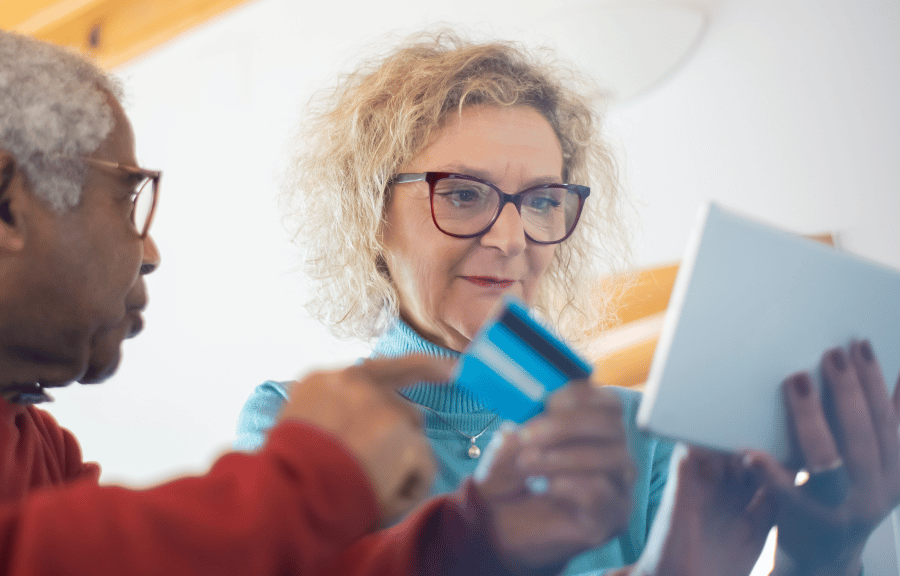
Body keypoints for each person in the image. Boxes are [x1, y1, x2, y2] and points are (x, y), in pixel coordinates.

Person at [0, 24, 638, 576]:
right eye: (128, 195)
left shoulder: (34, 446)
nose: (151, 247)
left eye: (541, 202)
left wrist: (471, 540)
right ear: (1, 204)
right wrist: (306, 477)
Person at [236, 31, 900, 576]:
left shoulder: (648, 433)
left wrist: (823, 559)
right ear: (371, 220)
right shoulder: (297, 423)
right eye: (464, 194)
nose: (511, 236)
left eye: (542, 201)